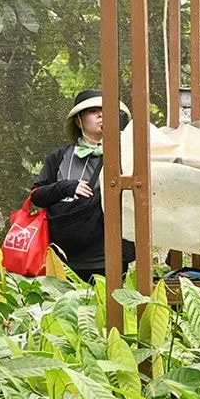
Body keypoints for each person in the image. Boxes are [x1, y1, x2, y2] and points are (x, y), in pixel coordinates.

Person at [30, 88, 136, 283]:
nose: (101, 114)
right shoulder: (59, 157)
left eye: (106, 110)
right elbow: (37, 196)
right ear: (78, 121)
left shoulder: (127, 155)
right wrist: (67, 187)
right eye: (93, 111)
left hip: (111, 255)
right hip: (67, 257)